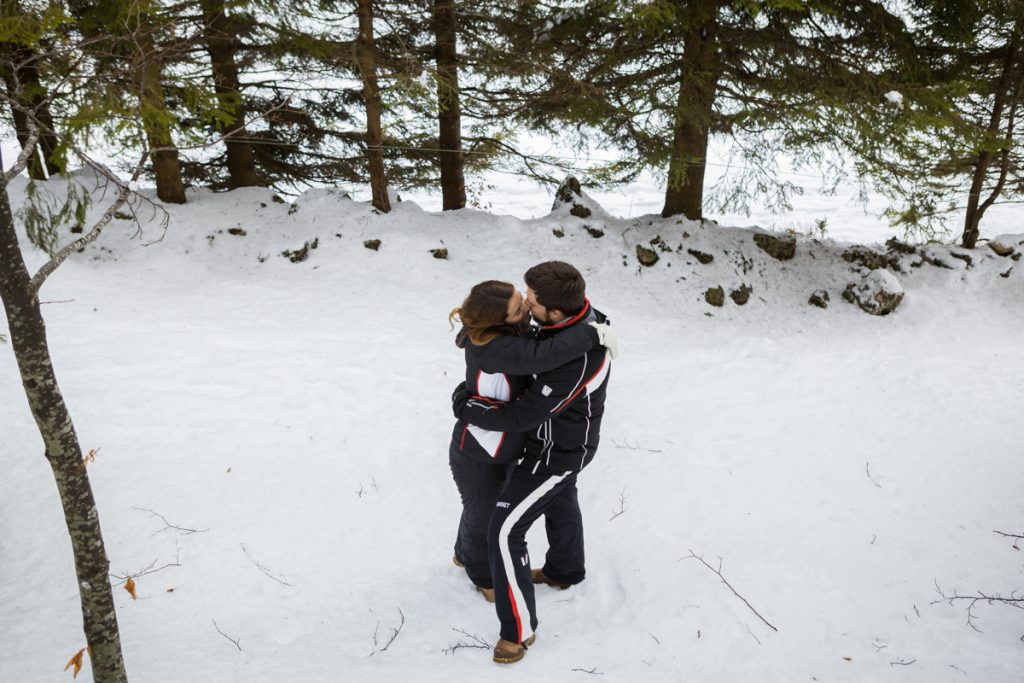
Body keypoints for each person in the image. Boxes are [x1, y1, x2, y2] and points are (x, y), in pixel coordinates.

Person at [452, 261, 614, 664]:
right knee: (560, 499)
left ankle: (517, 634)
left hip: (555, 454)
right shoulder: (571, 322)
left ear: (554, 312)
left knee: (505, 531)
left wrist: (468, 408)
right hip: (546, 445)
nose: (525, 302)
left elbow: (523, 415)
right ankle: (564, 570)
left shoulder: (574, 358)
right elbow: (516, 350)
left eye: (532, 300)